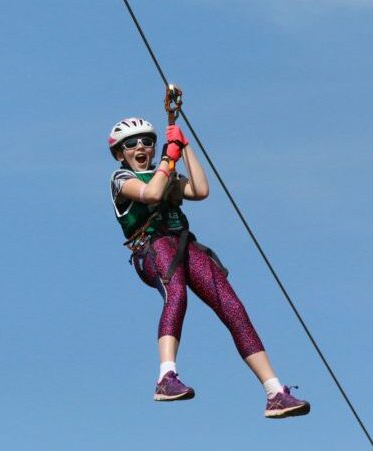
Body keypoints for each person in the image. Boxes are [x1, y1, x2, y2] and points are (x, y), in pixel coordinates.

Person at [108, 116, 310, 418]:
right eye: (131, 144)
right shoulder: (121, 180)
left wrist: (184, 147)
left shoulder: (167, 175)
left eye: (147, 142)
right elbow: (150, 194)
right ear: (120, 154)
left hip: (183, 244)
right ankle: (166, 377)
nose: (141, 147)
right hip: (152, 247)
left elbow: (201, 190)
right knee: (176, 293)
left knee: (233, 307)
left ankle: (274, 391)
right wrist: (168, 157)